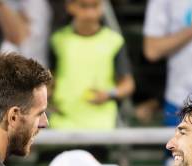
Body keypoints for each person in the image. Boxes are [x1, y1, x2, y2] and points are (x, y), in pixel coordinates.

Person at [49, 0, 135, 129]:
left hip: (100, 126)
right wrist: (46, 103)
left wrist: (108, 94)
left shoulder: (114, 41)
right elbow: (50, 80)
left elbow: (128, 85)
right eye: (83, 6)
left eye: (95, 6)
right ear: (70, 7)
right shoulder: (58, 40)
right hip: (61, 123)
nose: (90, 13)